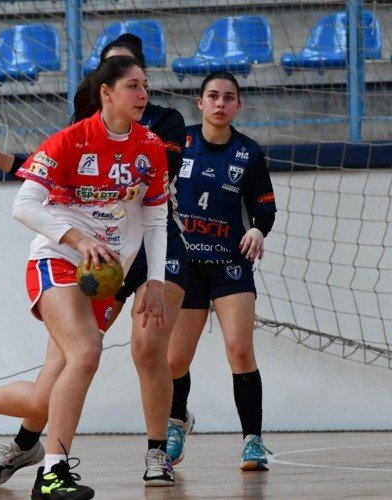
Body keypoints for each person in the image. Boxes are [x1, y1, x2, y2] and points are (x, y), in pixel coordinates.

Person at [0, 55, 169, 499]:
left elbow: (155, 219)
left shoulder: (150, 147)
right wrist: (78, 238)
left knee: (44, 397)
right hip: (58, 259)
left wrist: (154, 281)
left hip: (105, 276)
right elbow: (24, 205)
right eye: (133, 86)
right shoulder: (71, 141)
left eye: (145, 85)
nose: (143, 94)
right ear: (106, 93)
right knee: (87, 353)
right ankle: (53, 472)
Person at [167, 71, 277, 471]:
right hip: (186, 265)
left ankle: (252, 441)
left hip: (230, 265)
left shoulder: (249, 152)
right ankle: (177, 422)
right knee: (174, 360)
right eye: (212, 96)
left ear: (238, 106)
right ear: (200, 102)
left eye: (229, 97)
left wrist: (257, 230)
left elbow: (264, 208)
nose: (220, 103)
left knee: (240, 349)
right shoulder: (179, 144)